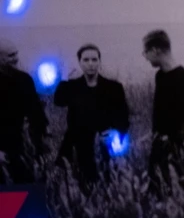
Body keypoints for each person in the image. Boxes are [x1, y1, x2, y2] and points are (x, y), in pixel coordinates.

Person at [52, 44, 130, 186]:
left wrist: (115, 132)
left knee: (107, 184)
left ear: (99, 61)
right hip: (77, 144)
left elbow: (123, 117)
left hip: (104, 144)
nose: (90, 64)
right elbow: (59, 101)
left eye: (94, 60)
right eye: (86, 60)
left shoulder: (114, 88)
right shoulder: (73, 86)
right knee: (76, 183)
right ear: (80, 62)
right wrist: (63, 77)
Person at [143, 29, 184, 191]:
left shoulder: (183, 79)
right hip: (160, 149)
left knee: (178, 193)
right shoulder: (160, 76)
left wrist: (182, 153)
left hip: (178, 154)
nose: (145, 56)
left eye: (146, 52)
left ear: (155, 50)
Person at [0, 39, 48, 184]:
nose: (15, 58)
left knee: (25, 186)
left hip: (18, 145)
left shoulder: (24, 80)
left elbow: (36, 114)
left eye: (16, 54)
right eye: (10, 55)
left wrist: (40, 147)